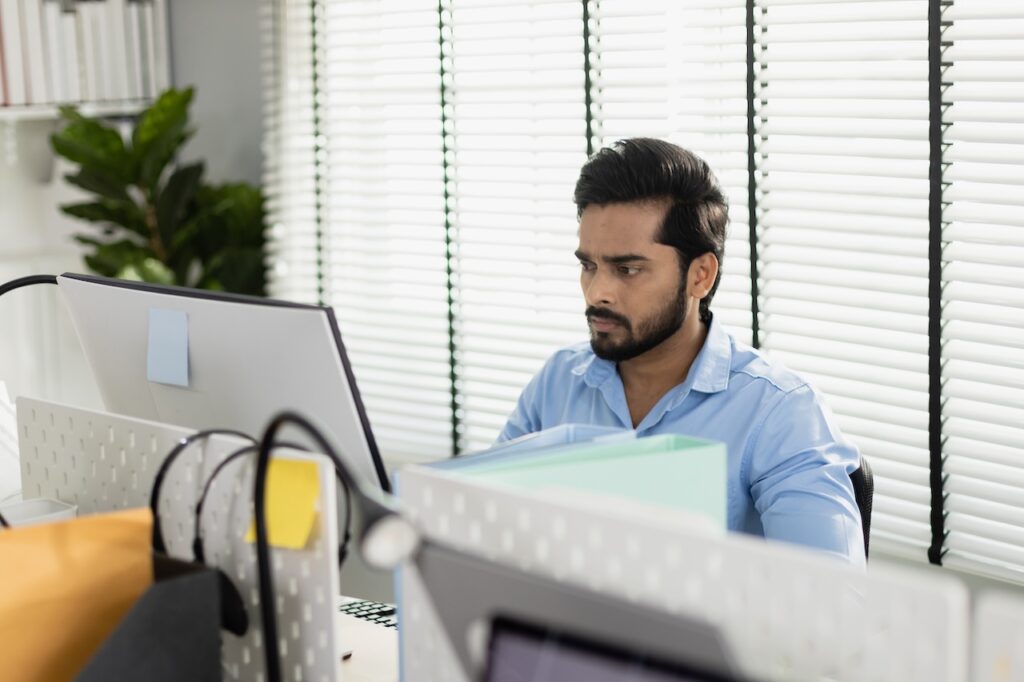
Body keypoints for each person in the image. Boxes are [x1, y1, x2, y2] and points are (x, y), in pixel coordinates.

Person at [497, 138, 865, 566]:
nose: (598, 292)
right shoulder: (559, 380)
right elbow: (484, 533)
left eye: (627, 270)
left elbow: (830, 602)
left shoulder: (780, 413)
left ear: (700, 276)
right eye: (589, 266)